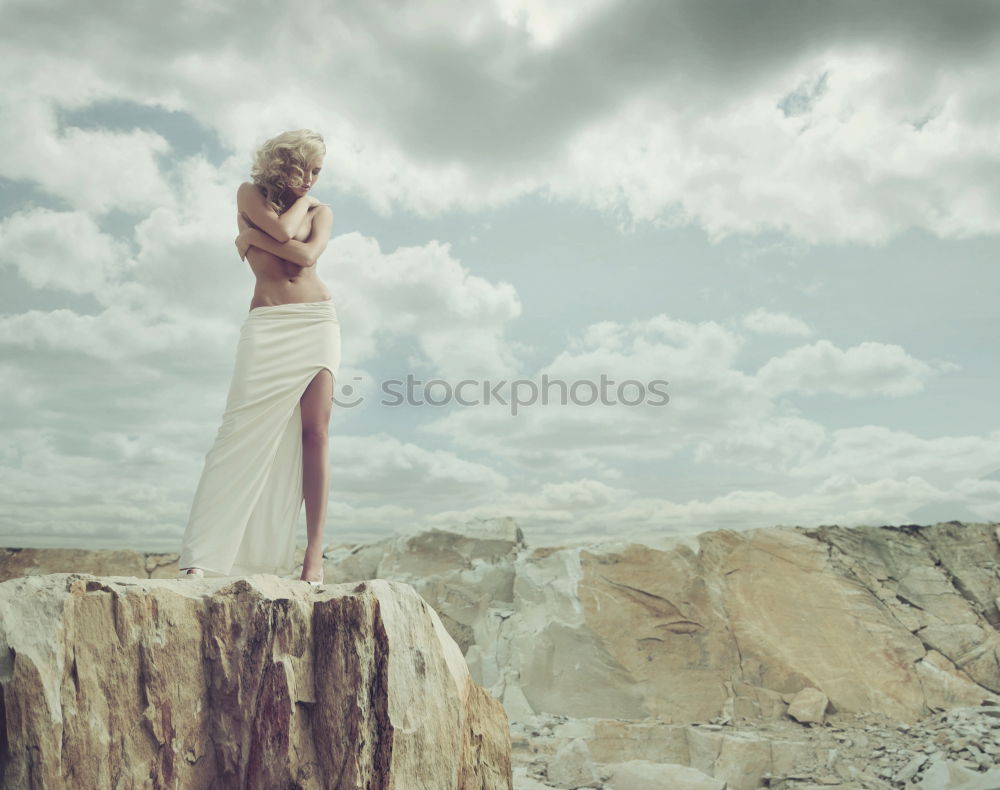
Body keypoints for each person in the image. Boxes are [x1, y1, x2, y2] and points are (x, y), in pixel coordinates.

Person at [177, 129, 340, 586]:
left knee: (316, 434)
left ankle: (313, 557)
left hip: (318, 323)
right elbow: (287, 233)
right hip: (267, 326)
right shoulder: (249, 193)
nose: (309, 179)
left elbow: (305, 254)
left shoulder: (320, 209)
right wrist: (257, 232)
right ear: (278, 164)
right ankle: (202, 555)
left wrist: (249, 239)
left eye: (317, 170)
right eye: (300, 167)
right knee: (236, 432)